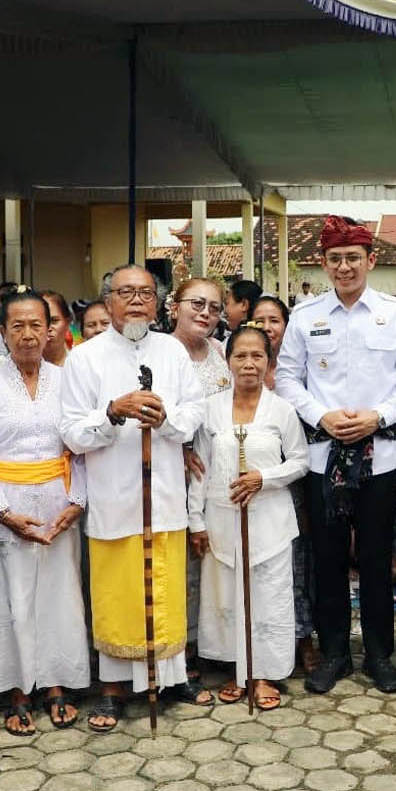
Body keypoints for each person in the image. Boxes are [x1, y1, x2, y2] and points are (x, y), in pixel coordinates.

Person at [276, 216, 396, 694]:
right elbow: (287, 378)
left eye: (353, 258)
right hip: (325, 458)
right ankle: (335, 652)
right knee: (329, 558)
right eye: (336, 259)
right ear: (324, 264)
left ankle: (381, 655)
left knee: (378, 558)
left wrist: (378, 416)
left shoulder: (395, 314)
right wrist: (320, 416)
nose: (345, 268)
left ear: (371, 260)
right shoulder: (306, 316)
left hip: (380, 456)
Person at [60, 264, 211, 732]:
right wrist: (113, 413)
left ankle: (172, 677)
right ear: (107, 302)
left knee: (166, 590)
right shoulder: (85, 358)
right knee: (117, 595)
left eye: (146, 292)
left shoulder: (172, 352)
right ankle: (112, 689)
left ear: (159, 302)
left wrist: (165, 420)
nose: (137, 301)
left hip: (163, 495)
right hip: (114, 498)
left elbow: (194, 412)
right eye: (126, 292)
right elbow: (71, 431)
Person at [0, 291, 89, 735]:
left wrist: (78, 502)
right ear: (2, 332)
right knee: (11, 600)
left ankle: (55, 684)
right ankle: (18, 690)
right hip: (7, 508)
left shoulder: (66, 380)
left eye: (37, 324)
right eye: (17, 325)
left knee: (58, 597)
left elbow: (78, 449)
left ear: (51, 328)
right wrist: (2, 512)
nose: (29, 334)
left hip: (58, 504)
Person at [188, 326, 308, 709]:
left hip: (269, 521)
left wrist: (264, 478)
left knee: (268, 597)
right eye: (241, 355)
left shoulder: (282, 410)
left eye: (258, 356)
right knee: (226, 596)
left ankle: (263, 674)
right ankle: (237, 668)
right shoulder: (211, 409)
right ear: (228, 361)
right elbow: (199, 468)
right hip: (222, 520)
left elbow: (301, 463)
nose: (249, 363)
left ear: (269, 362)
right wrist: (196, 521)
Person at [169, 277, 232, 675]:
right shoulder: (160, 352)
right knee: (180, 559)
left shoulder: (222, 352)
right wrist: (178, 447)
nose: (205, 313)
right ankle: (180, 644)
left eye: (213, 307)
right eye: (196, 303)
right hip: (174, 471)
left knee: (212, 557)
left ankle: (210, 639)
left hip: (217, 472)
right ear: (175, 306)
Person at [252, 295, 318, 672]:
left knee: (296, 564)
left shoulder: (300, 374)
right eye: (258, 319)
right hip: (250, 481)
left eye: (274, 319)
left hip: (294, 481)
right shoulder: (241, 367)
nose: (266, 327)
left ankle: (302, 637)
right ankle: (257, 642)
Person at [41, 290, 73, 367]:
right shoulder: (18, 368)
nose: (48, 328)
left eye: (54, 321)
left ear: (67, 323)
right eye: (39, 322)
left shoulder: (80, 362)